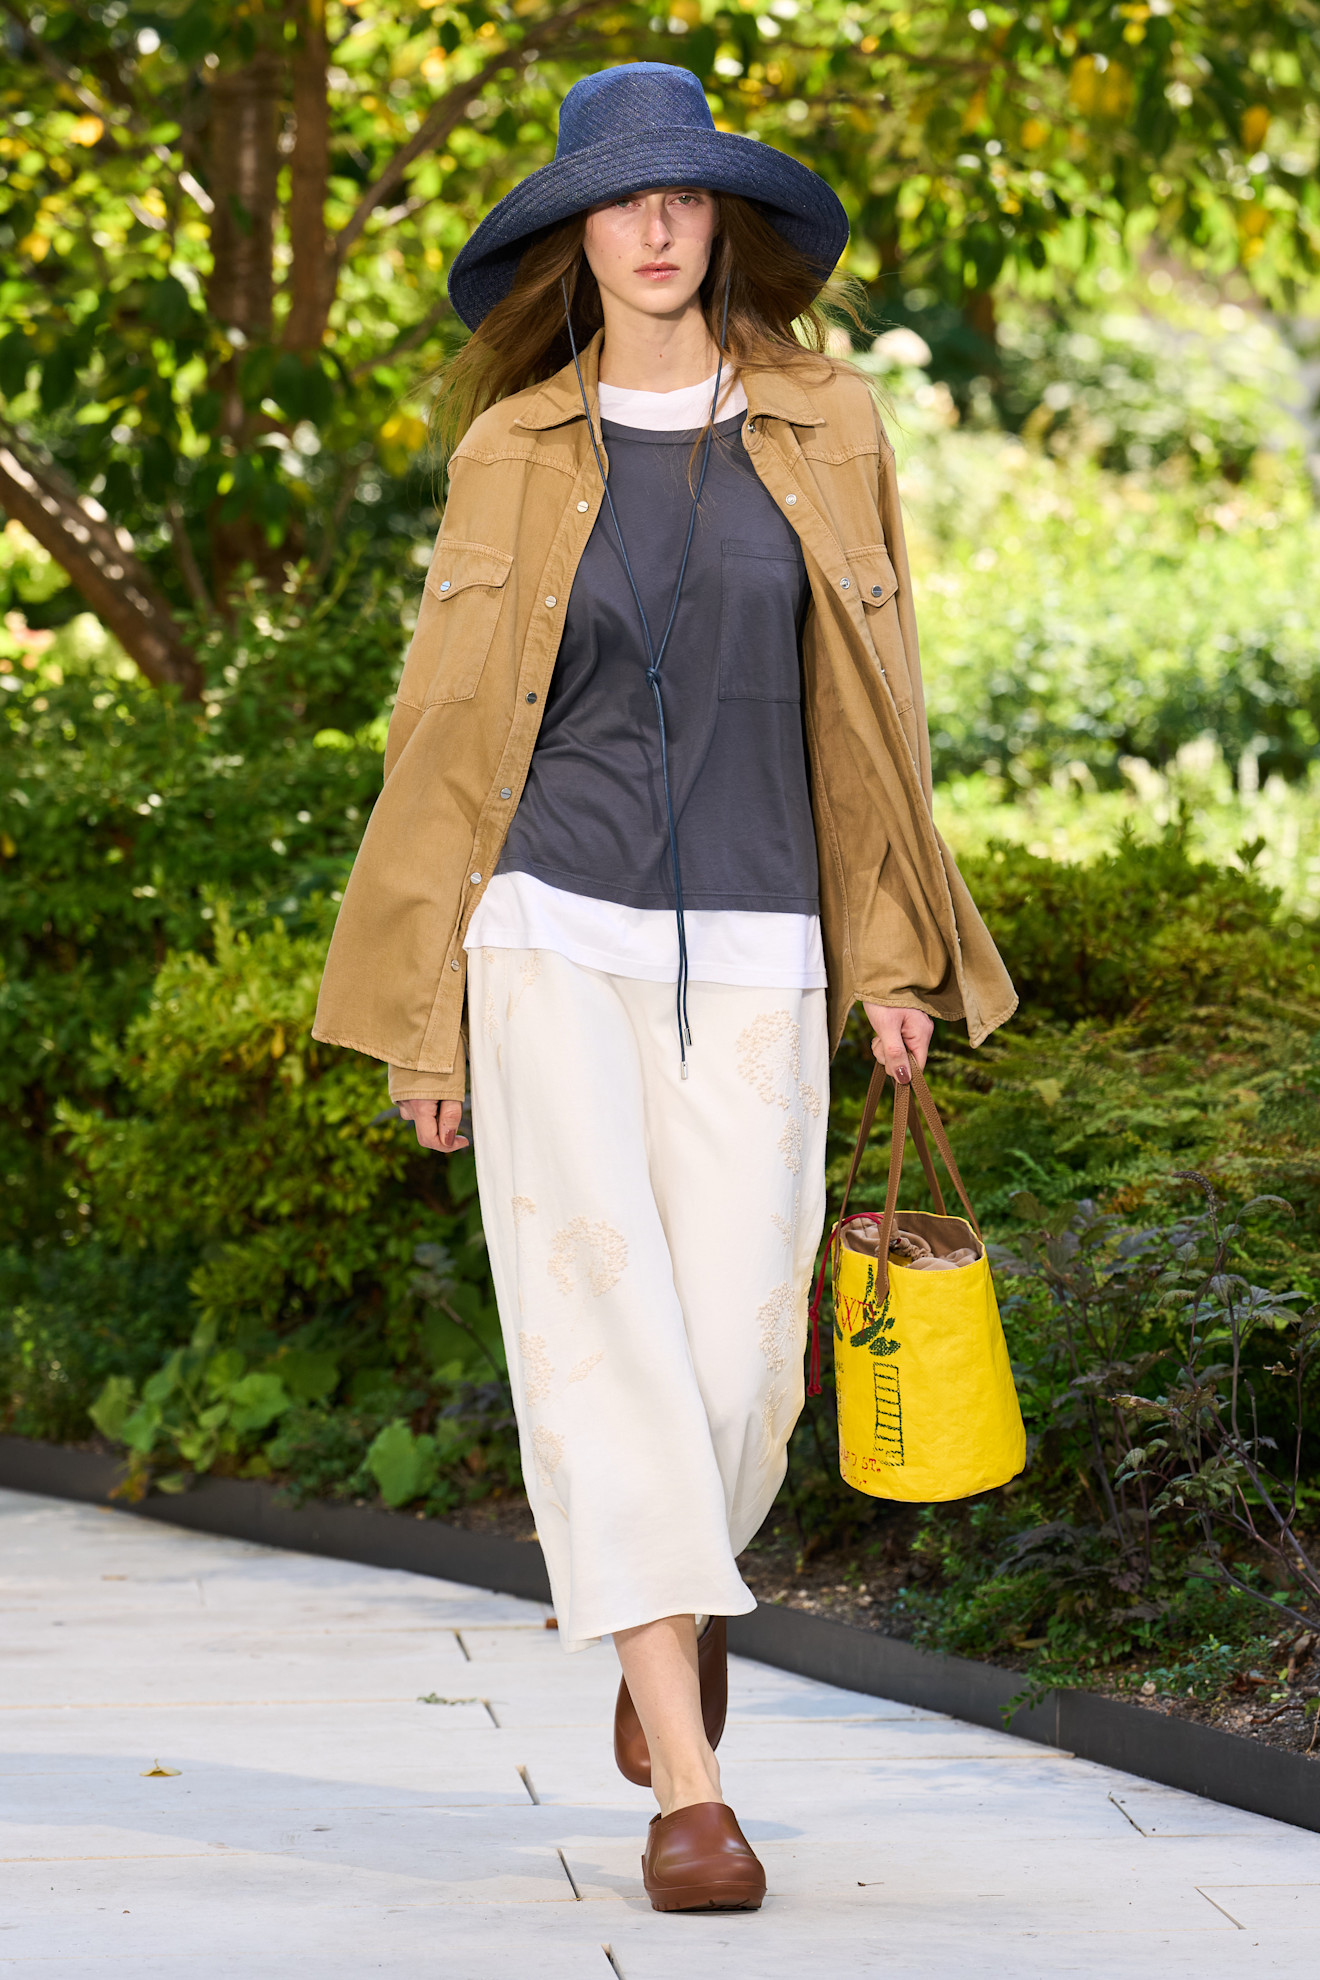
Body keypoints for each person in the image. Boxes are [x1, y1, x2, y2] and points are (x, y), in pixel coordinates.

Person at [314, 61, 1015, 1912]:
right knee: (599, 1345)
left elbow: (876, 724)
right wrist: (421, 1018)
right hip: (547, 938)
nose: (652, 226)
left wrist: (893, 959)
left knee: (733, 1374)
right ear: (574, 236)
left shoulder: (825, 423)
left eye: (681, 198)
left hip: (773, 947)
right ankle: (688, 1791)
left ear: (720, 224)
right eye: (618, 202)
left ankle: (667, 1597)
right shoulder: (513, 453)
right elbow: (443, 741)